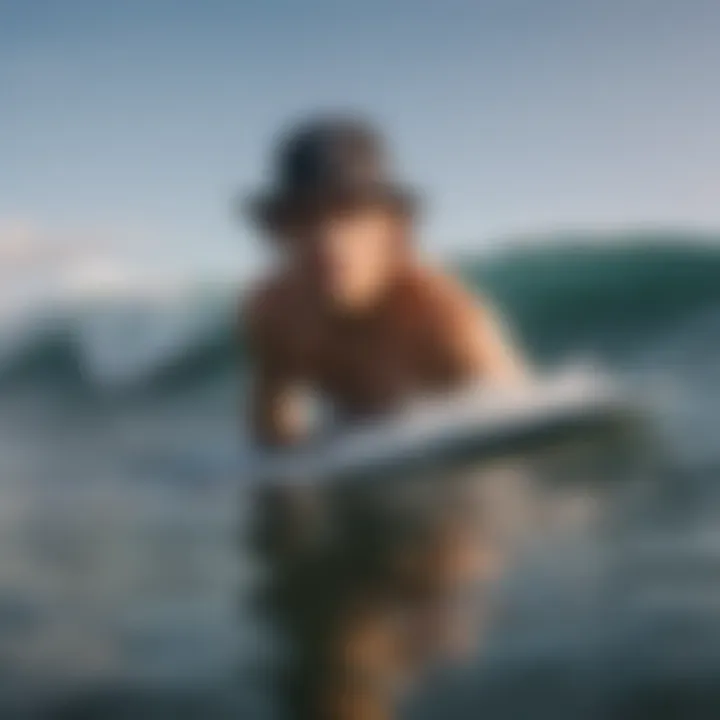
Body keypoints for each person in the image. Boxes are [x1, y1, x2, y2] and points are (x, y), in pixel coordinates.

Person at [241, 115, 527, 720]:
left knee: (429, 640)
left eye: (349, 214)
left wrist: (453, 584)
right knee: (309, 649)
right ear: (281, 232)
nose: (326, 239)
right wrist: (282, 523)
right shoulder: (271, 311)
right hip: (346, 459)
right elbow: (272, 424)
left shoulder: (448, 321)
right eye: (306, 218)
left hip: (445, 482)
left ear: (394, 229)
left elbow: (520, 445)